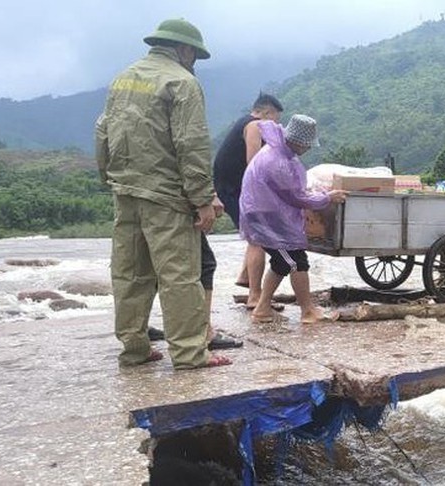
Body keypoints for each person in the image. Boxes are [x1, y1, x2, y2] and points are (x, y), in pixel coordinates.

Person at [95, 18, 231, 369]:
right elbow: (191, 144)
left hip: (125, 190)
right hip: (166, 196)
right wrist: (202, 199)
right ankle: (189, 353)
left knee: (129, 273)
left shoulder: (123, 77)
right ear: (184, 50)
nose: (194, 62)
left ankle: (135, 349)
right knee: (179, 276)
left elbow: (102, 130)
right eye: (194, 55)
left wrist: (109, 178)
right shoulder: (182, 82)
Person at [240, 115, 348, 323]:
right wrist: (327, 197)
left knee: (281, 262)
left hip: (267, 216)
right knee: (297, 262)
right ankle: (307, 310)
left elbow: (292, 190)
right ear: (298, 141)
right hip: (268, 221)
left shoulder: (278, 152)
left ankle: (262, 309)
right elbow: (296, 196)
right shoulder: (278, 161)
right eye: (307, 144)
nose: (308, 148)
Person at [213, 94, 284, 307]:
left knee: (256, 234)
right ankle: (255, 296)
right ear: (266, 112)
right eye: (275, 119)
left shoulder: (243, 122)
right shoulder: (254, 125)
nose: (276, 124)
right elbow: (254, 162)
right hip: (233, 190)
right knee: (258, 239)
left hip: (231, 187)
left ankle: (245, 276)